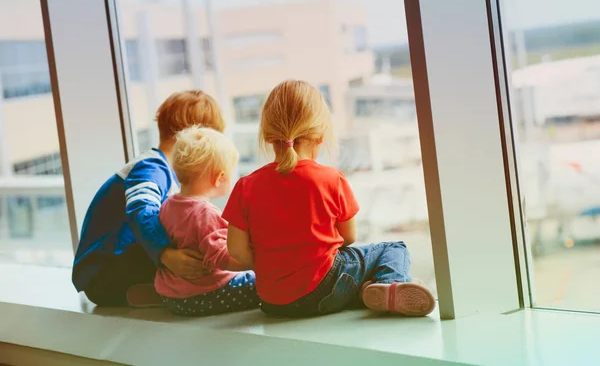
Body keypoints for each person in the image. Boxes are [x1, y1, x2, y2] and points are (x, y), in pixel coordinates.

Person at [223, 79, 435, 318]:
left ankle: (368, 291)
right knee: (393, 248)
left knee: (345, 276)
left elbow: (237, 251)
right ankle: (389, 285)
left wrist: (276, 264)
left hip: (274, 303)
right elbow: (348, 237)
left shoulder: (245, 186)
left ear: (269, 135)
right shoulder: (330, 178)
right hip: (325, 290)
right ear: (320, 135)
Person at [72, 90, 225, 307]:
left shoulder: (164, 171)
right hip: (104, 274)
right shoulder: (151, 168)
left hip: (112, 270)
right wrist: (166, 255)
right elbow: (142, 209)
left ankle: (160, 291)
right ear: (198, 137)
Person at [155, 126, 259, 316]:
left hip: (171, 296)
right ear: (220, 178)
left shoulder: (168, 205)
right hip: (204, 295)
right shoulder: (204, 213)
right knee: (263, 284)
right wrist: (258, 263)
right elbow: (224, 259)